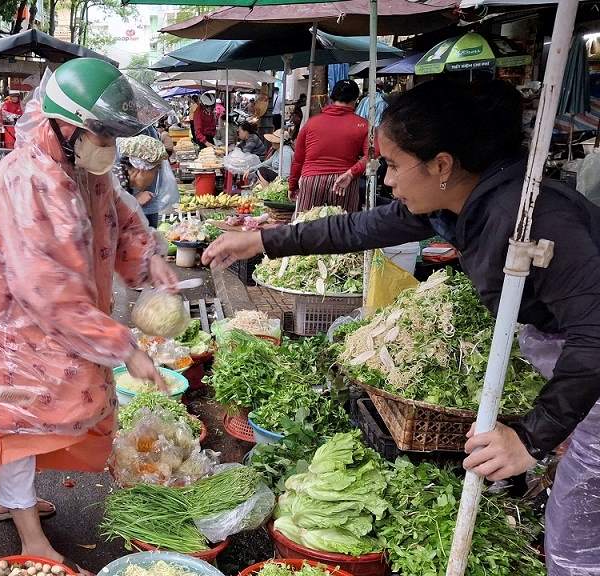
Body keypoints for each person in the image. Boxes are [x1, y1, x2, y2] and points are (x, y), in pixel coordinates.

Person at [203, 78, 600, 575]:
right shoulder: (459, 203)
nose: (386, 180)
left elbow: (594, 335)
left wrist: (530, 436)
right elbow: (359, 227)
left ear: (441, 165)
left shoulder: (530, 216)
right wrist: (264, 241)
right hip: (571, 361)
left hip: (591, 362)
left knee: (583, 519)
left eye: (392, 165)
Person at [0, 58, 179, 575]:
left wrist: (149, 258)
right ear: (66, 127)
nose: (110, 147)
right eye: (103, 134)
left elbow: (120, 214)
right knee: (18, 420)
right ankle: (31, 539)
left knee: (22, 416)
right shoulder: (30, 183)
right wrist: (125, 347)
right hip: (8, 328)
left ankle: (2, 499)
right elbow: (50, 293)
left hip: (41, 322)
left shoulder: (80, 165)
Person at [289, 79, 368, 213]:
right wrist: (351, 173)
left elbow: (298, 159)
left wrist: (292, 185)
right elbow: (373, 154)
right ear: (356, 99)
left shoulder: (311, 123)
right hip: (344, 183)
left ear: (331, 98)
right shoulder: (363, 125)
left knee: (305, 224)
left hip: (312, 181)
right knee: (343, 224)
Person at [115, 134, 172, 228]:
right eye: (155, 171)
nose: (154, 178)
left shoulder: (123, 177)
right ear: (142, 169)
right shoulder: (116, 185)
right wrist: (135, 202)